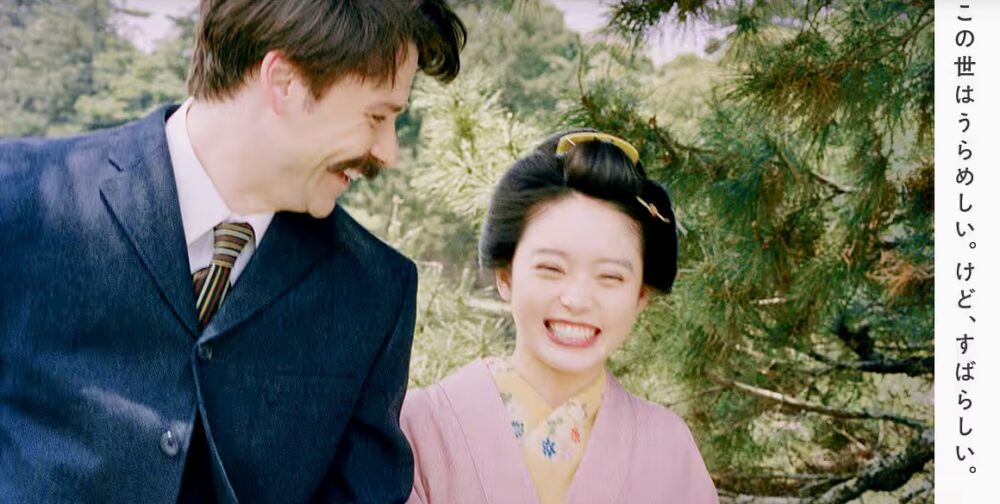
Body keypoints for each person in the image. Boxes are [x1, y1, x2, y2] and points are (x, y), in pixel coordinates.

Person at [0, 1, 465, 502]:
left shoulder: (376, 291)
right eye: (376, 116)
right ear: (284, 82)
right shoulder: (18, 200)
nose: (388, 152)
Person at [401, 130, 720, 503]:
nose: (577, 299)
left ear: (640, 296)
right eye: (551, 268)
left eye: (610, 277)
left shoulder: (668, 449)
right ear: (506, 276)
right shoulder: (419, 426)